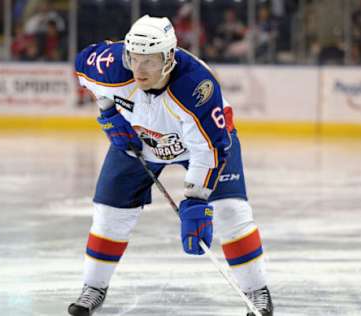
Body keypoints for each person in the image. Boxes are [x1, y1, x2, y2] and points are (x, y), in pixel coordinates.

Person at [69, 15, 273, 316]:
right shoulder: (112, 66)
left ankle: (257, 290)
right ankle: (94, 287)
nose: (139, 69)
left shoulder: (195, 87)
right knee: (110, 213)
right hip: (140, 141)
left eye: (149, 61)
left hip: (201, 145)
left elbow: (209, 149)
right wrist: (109, 112)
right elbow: (84, 70)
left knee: (231, 212)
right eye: (134, 58)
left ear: (169, 58)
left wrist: (196, 199)